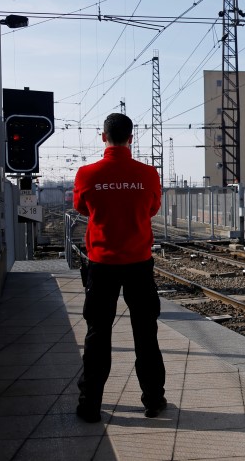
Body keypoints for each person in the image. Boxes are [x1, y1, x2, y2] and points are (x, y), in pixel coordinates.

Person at [73, 113, 166, 423]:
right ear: (131, 138)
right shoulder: (149, 174)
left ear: (103, 137)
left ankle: (90, 404)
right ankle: (153, 399)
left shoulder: (86, 174)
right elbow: (152, 208)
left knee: (97, 334)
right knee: (146, 333)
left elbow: (82, 208)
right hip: (139, 264)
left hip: (102, 265)